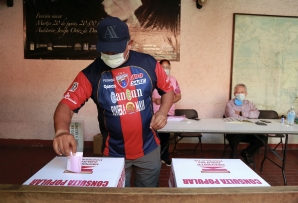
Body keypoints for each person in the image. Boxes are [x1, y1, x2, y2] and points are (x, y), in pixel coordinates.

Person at [52, 16, 174, 187]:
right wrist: (61, 131)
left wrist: (162, 112)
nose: (110, 55)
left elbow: (168, 90)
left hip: (148, 149)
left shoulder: (148, 64)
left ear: (129, 43)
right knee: (116, 198)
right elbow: (66, 105)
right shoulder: (91, 74)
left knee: (145, 198)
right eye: (106, 51)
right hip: (114, 153)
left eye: (115, 51)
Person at [224, 83, 268, 165]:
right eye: (238, 92)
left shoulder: (249, 104)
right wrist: (248, 115)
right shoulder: (229, 104)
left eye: (242, 92)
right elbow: (232, 116)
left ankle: (247, 153)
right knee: (235, 137)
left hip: (249, 131)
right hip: (234, 130)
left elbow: (256, 114)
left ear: (246, 93)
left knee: (263, 139)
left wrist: (241, 113)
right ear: (234, 93)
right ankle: (233, 157)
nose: (240, 94)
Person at [152, 59, 181, 166]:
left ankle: (164, 157)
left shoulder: (173, 80)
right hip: (153, 112)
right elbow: (144, 95)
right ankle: (154, 158)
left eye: (167, 67)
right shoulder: (153, 79)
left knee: (165, 136)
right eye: (163, 67)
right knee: (154, 136)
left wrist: (167, 102)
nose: (165, 69)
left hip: (169, 113)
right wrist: (154, 100)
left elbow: (178, 96)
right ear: (159, 68)